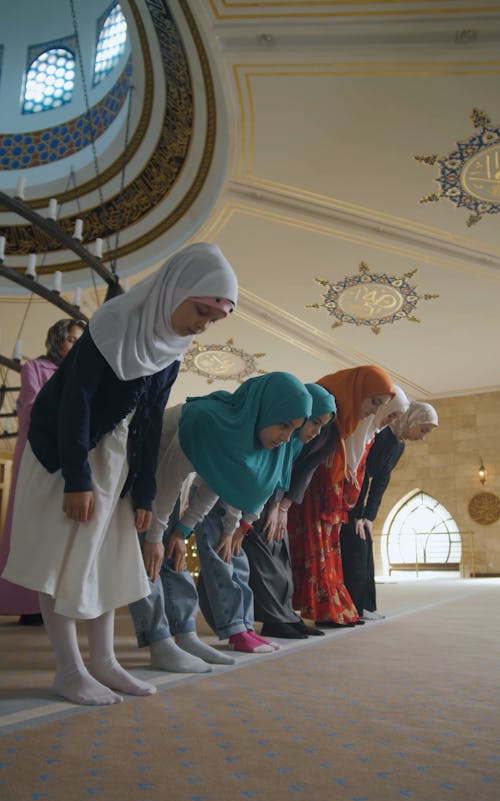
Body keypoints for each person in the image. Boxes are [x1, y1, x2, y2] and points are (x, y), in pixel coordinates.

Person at [1, 242, 238, 705]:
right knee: (62, 558)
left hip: (117, 463)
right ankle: (69, 669)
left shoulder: (172, 349)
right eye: (201, 311)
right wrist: (76, 479)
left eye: (214, 319)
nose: (203, 325)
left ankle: (105, 662)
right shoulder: (113, 323)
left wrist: (145, 495)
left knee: (106, 559)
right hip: (66, 455)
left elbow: (149, 426)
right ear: (175, 290)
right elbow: (76, 401)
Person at [132, 372, 313, 660]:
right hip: (142, 469)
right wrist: (156, 534)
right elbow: (167, 479)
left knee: (173, 551)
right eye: (284, 426)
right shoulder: (206, 422)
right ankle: (159, 641)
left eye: (294, 430)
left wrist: (183, 529)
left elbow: (217, 485)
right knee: (148, 554)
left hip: (173, 480)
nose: (286, 438)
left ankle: (185, 633)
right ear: (266, 411)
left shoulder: (249, 437)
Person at [288, 365, 395, 626]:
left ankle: (329, 605)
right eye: (374, 402)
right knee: (314, 547)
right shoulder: (326, 420)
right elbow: (303, 463)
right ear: (357, 392)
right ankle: (321, 607)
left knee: (327, 547)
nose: (374, 411)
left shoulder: (344, 428)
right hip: (306, 498)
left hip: (319, 500)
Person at [0, 318, 85, 624]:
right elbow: (33, 408)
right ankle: (28, 603)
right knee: (31, 524)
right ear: (58, 339)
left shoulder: (79, 374)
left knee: (60, 525)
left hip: (66, 455)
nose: (78, 346)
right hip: (37, 452)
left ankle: (59, 600)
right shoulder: (35, 368)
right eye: (73, 339)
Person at [242, 383, 337, 639]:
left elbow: (288, 475)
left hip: (271, 501)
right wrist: (272, 506)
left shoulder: (294, 442)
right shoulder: (278, 434)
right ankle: (274, 618)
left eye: (321, 427)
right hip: (251, 502)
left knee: (281, 554)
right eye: (314, 423)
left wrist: (280, 506)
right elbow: (265, 472)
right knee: (266, 555)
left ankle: (285, 614)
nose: (317, 432)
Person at [341, 401, 438, 620]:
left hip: (358, 508)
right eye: (423, 430)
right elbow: (361, 472)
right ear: (412, 419)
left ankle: (364, 606)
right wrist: (356, 513)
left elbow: (381, 480)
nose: (422, 437)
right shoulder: (381, 435)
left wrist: (368, 517)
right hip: (347, 502)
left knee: (365, 548)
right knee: (355, 550)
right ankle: (352, 607)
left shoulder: (398, 444)